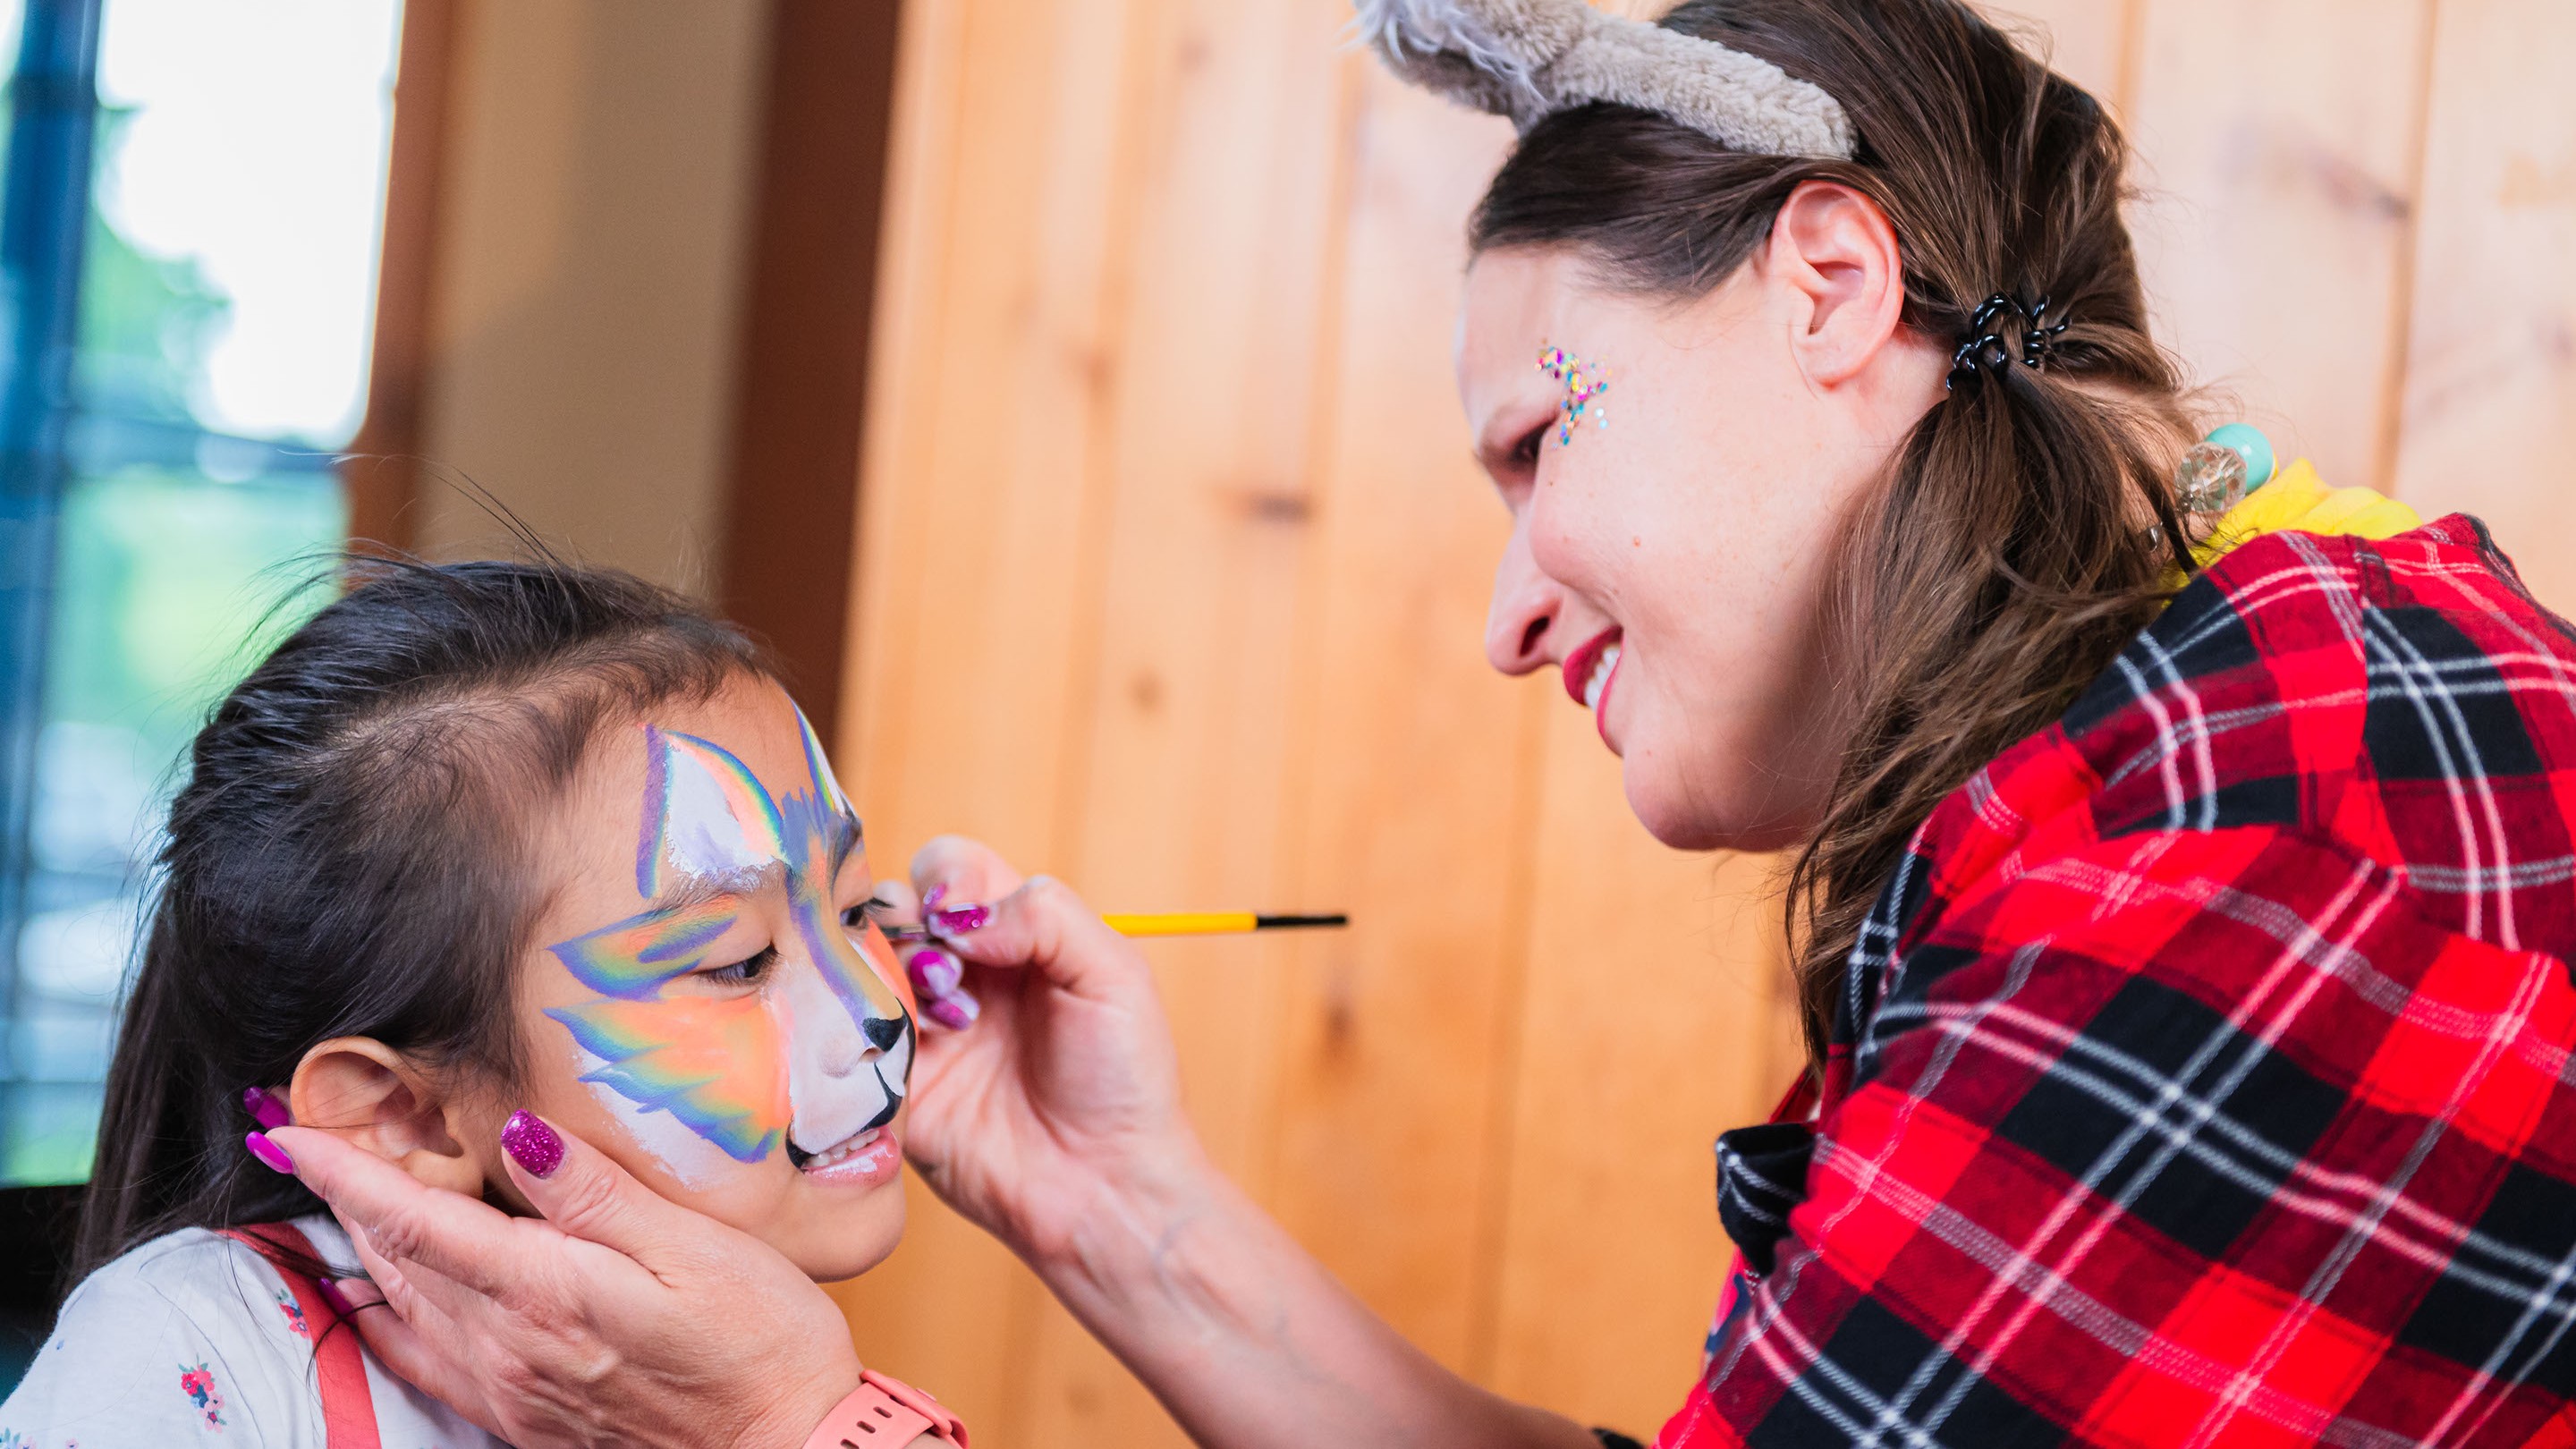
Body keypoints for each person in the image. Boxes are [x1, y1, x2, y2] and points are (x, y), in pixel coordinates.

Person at [253, 0, 2576, 1444]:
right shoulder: (2196, 733)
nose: (1501, 614)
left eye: (1539, 442)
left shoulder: (2246, 856)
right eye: (745, 942)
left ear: (1831, 285)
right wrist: (1126, 1222)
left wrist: (801, 1440)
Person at [4, 559, 962, 1448]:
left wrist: (805, 1416)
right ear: (403, 1113)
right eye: (740, 962)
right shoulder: (194, 1349)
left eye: (856, 906)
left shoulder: (766, 1362)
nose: (876, 1008)